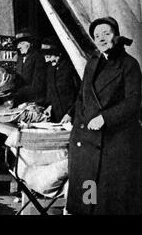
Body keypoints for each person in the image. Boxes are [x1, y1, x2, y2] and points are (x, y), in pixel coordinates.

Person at [67, 17, 142, 215]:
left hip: (115, 144)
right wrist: (77, 120)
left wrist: (105, 118)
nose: (101, 39)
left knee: (110, 202)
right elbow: (82, 96)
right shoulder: (92, 64)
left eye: (106, 34)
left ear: (116, 36)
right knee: (87, 193)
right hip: (88, 142)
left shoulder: (129, 65)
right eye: (97, 36)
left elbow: (133, 102)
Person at [41, 38, 80, 123]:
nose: (47, 60)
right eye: (45, 57)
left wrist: (70, 113)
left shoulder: (71, 68)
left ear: (59, 53)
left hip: (73, 116)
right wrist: (49, 106)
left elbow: (80, 94)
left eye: (49, 56)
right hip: (58, 117)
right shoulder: (51, 68)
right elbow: (50, 91)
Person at [13, 30, 46, 105]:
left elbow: (38, 83)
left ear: (30, 44)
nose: (18, 47)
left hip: (33, 100)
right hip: (21, 99)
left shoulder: (38, 57)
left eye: (21, 43)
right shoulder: (20, 58)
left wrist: (21, 94)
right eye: (18, 44)